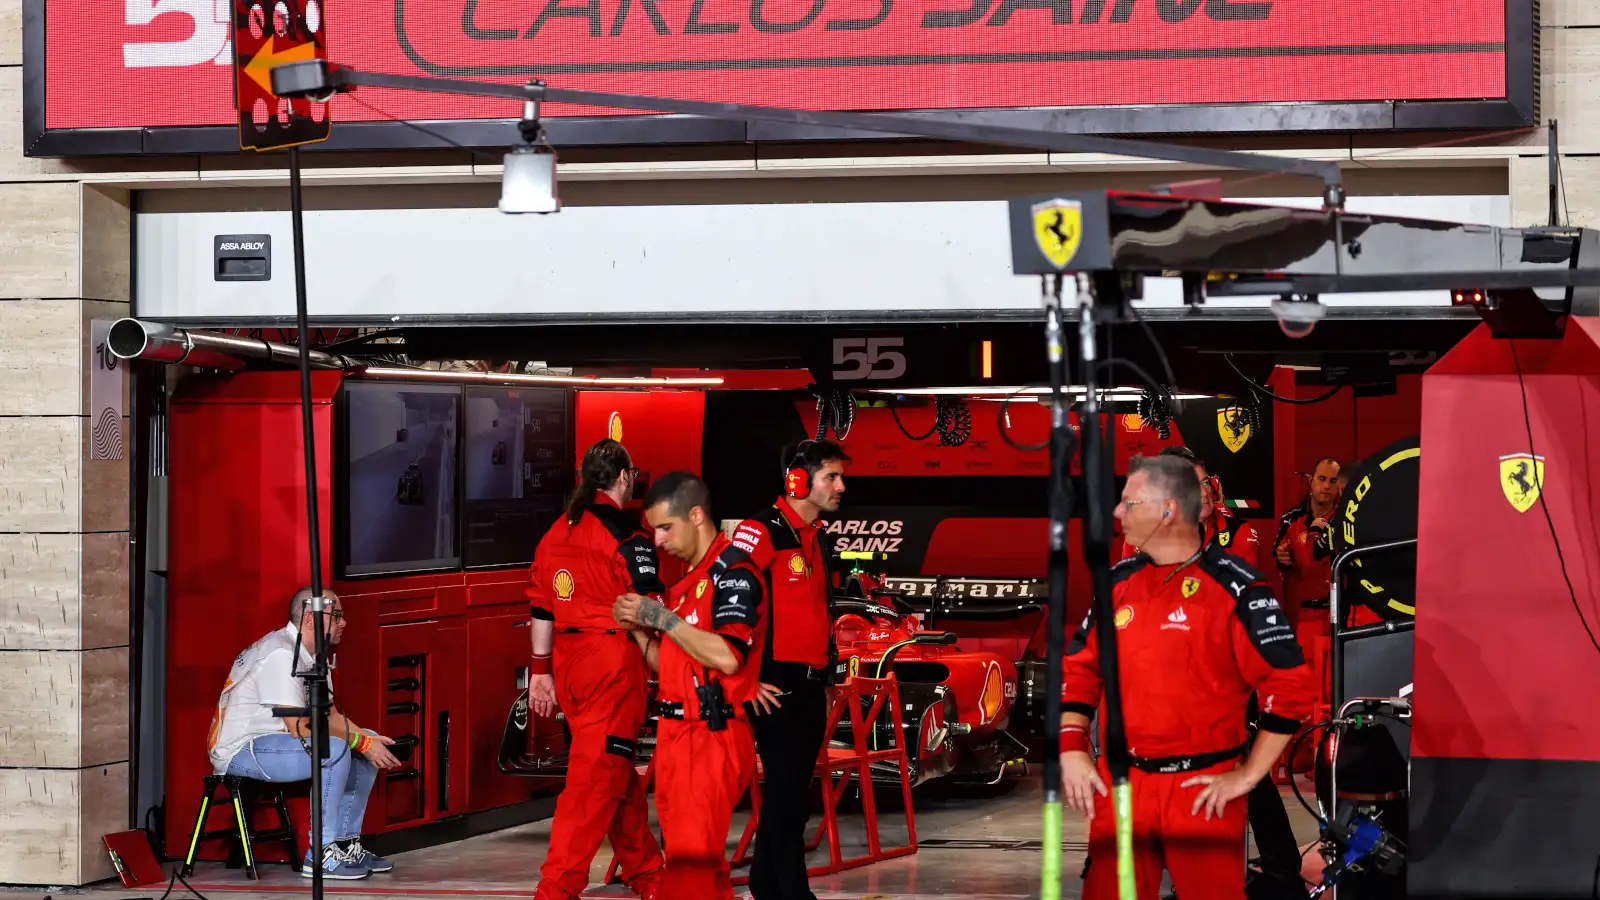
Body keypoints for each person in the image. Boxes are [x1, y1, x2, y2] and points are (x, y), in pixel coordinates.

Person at [1061, 454, 1317, 900]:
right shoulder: (1114, 585)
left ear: (1167, 510)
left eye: (1129, 502)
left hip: (1203, 792)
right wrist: (1071, 749)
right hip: (1121, 789)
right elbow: (1079, 670)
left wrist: (1247, 775)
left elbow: (1291, 687)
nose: (1118, 513)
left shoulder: (1238, 589)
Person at [613, 472, 772, 900]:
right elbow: (670, 665)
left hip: (711, 737)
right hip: (677, 737)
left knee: (691, 866)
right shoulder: (688, 584)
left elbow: (726, 655)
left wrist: (661, 618)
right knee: (697, 866)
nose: (658, 540)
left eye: (666, 527)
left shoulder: (733, 573)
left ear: (696, 515)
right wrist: (638, 629)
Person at [527, 439, 665, 900]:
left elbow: (541, 606)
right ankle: (556, 890)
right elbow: (651, 607)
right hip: (614, 666)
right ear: (625, 477)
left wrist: (540, 672)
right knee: (592, 785)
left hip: (567, 668)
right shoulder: (626, 534)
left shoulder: (556, 531)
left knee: (615, 774)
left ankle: (649, 874)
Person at [724, 439, 849, 900]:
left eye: (840, 477)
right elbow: (730, 605)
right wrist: (744, 679)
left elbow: (819, 612)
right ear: (798, 479)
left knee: (793, 797)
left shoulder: (817, 538)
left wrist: (828, 676)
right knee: (784, 795)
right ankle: (788, 891)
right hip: (773, 684)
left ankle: (767, 883)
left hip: (810, 685)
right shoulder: (761, 531)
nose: (840, 486)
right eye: (831, 477)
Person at [206, 588, 402, 880]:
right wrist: (360, 742)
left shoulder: (314, 656)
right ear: (311, 619)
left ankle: (345, 845)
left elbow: (331, 717)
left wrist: (369, 740)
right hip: (241, 749)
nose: (344, 622)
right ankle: (321, 853)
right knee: (333, 749)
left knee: (363, 741)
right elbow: (298, 726)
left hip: (278, 744)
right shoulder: (281, 654)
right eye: (337, 615)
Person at [1274, 458, 1342, 626]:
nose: (1326, 486)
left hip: (1339, 615)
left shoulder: (1345, 519)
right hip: (1303, 617)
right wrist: (1281, 556)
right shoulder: (1291, 520)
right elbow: (1279, 559)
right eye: (1322, 479)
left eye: (1332, 481)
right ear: (1311, 480)